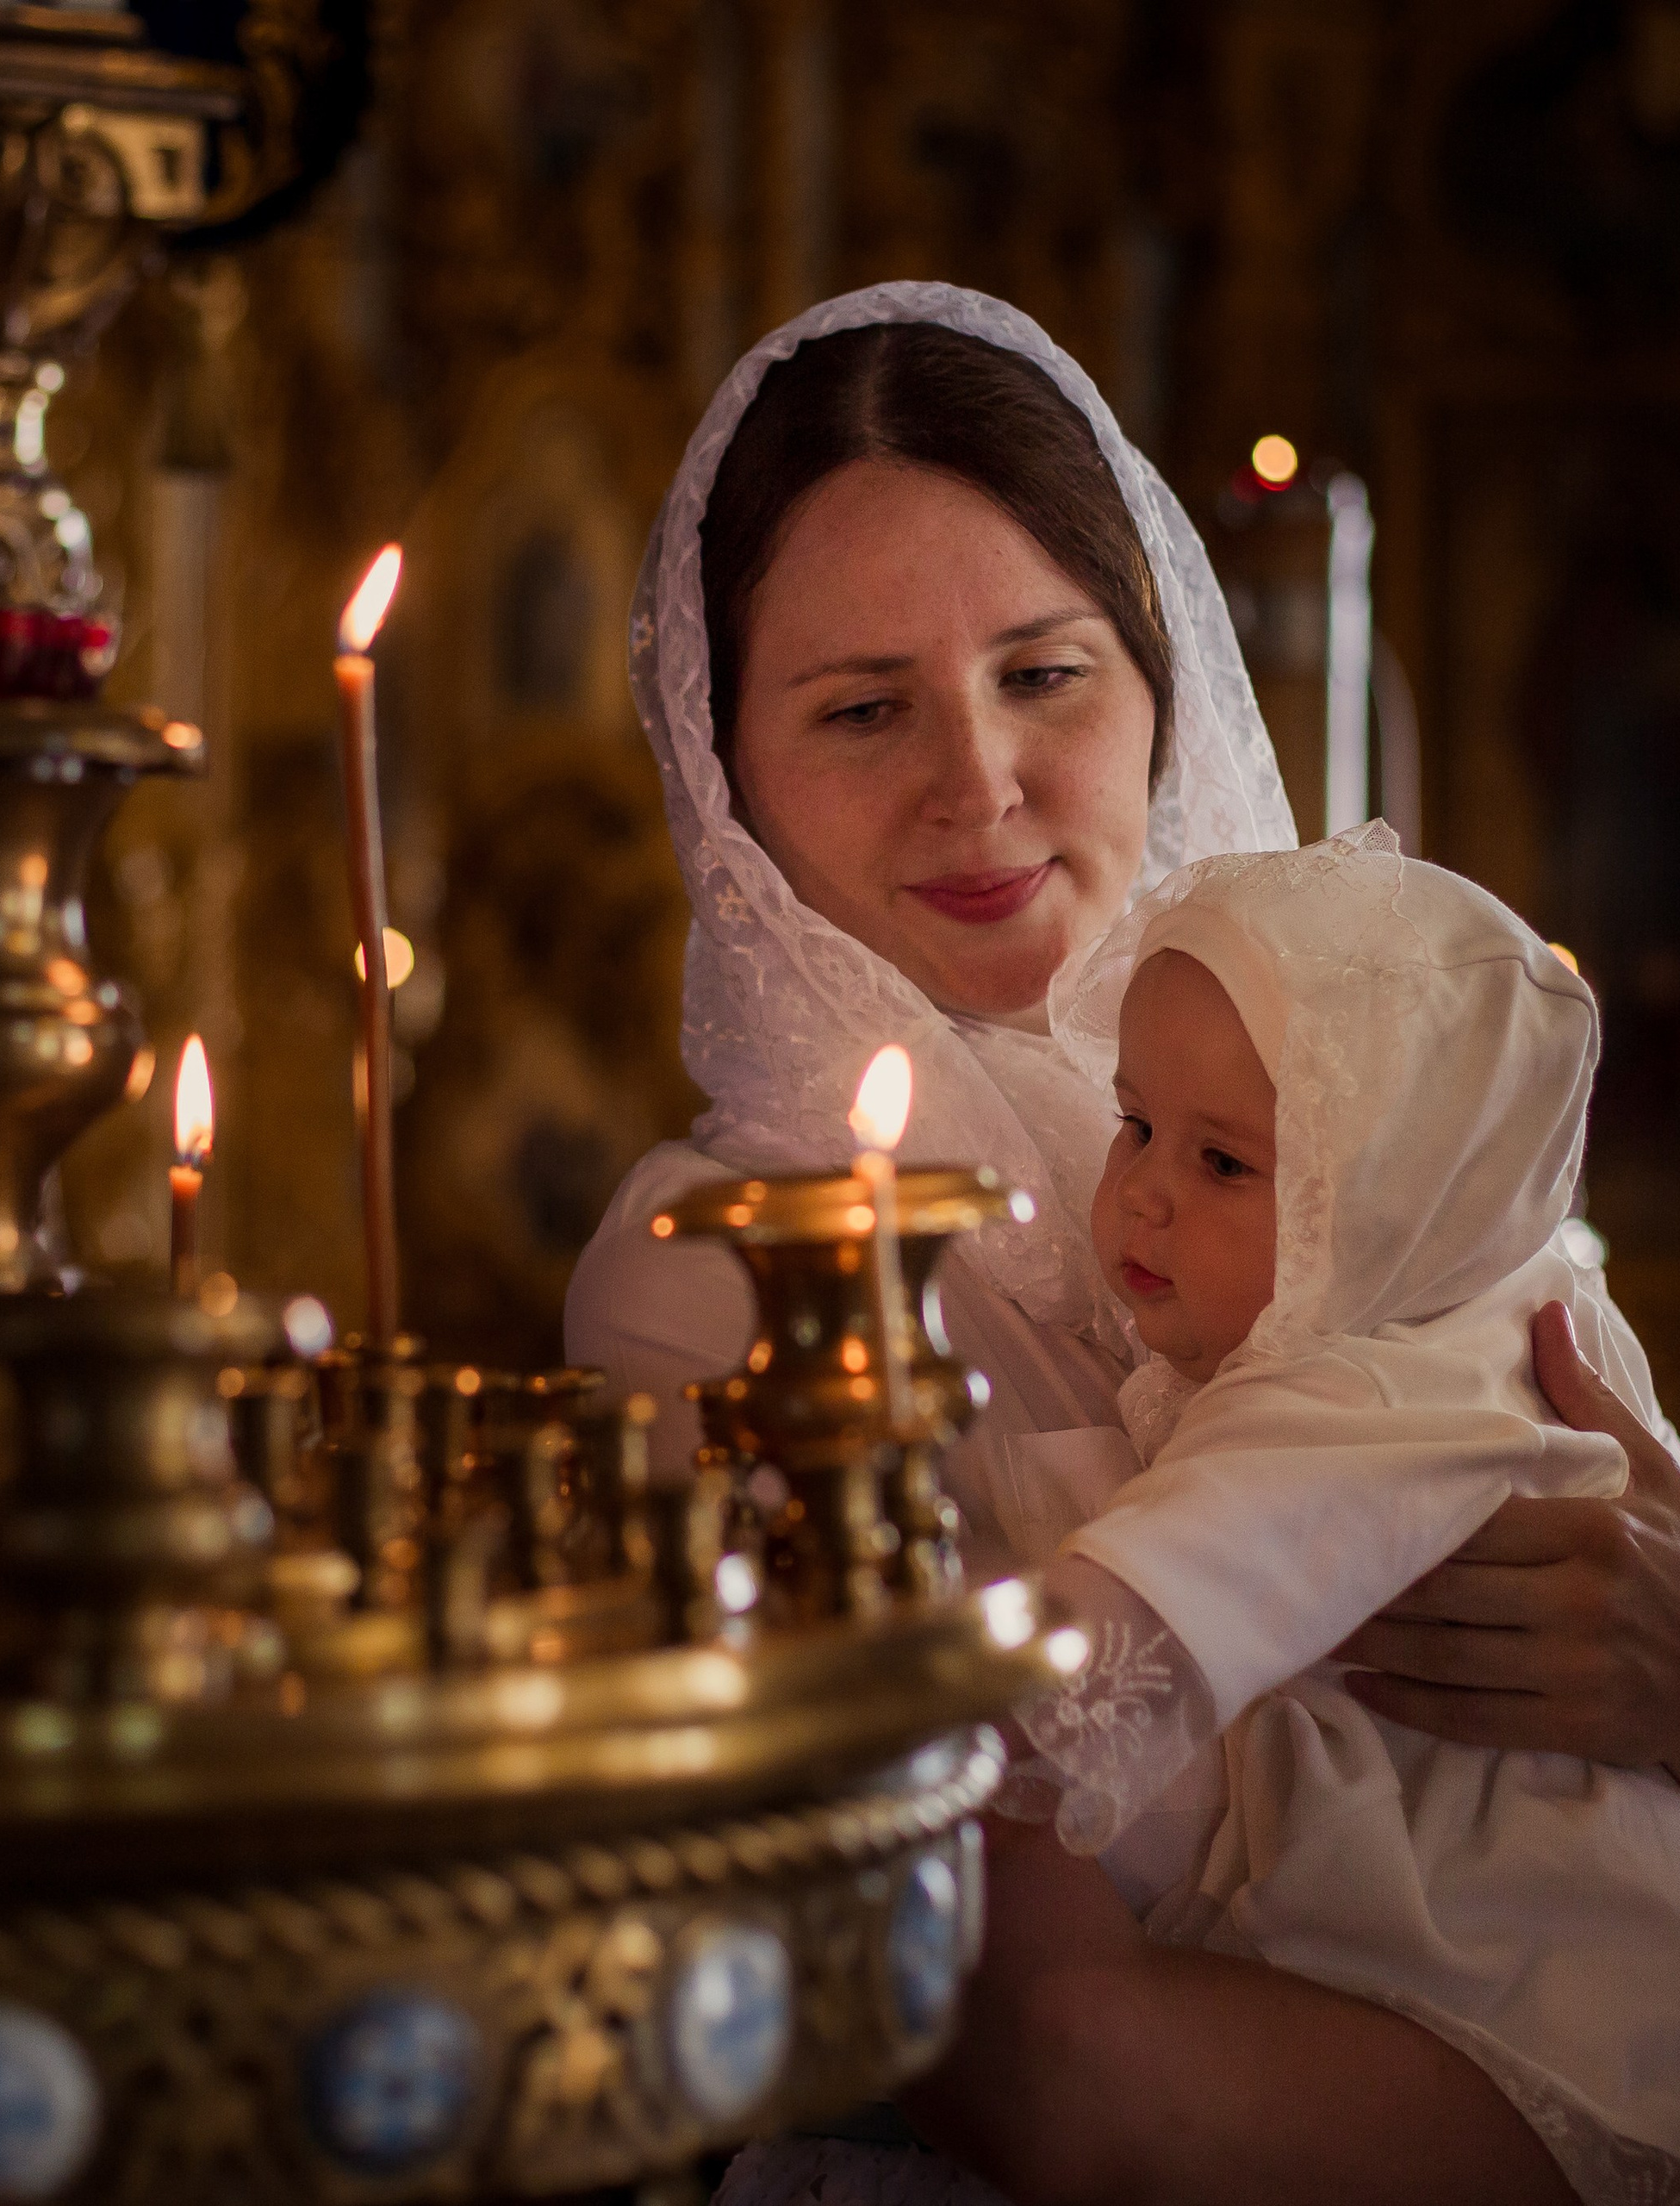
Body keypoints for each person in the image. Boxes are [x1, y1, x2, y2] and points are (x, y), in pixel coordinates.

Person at [564, 282, 1680, 2199]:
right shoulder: (726, 1274)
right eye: (861, 708)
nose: (978, 783)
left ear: (1161, 686)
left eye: (1043, 672)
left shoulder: (1379, 1130)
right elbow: (1057, 2074)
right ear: (722, 777)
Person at [1014, 826, 1677, 2197]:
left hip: (1500, 1973)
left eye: (1225, 1163)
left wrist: (920, 1719)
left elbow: (1142, 1626)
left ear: (1384, 1197)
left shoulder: (1346, 1398)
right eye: (1135, 1125)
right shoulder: (1529, 1296)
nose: (1141, 1190)